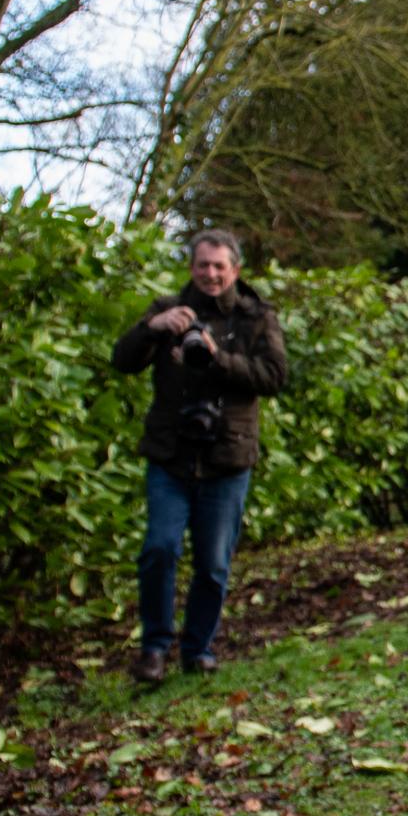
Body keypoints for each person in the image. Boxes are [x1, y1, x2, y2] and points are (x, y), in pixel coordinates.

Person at [113, 229, 287, 684]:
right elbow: (122, 360)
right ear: (191, 267)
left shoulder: (255, 317)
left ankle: (198, 649)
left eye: (219, 266)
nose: (210, 274)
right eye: (202, 265)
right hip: (170, 453)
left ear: (235, 270)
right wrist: (152, 329)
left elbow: (273, 377)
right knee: (159, 549)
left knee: (213, 562)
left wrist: (218, 357)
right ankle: (154, 649)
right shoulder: (168, 311)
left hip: (227, 457)